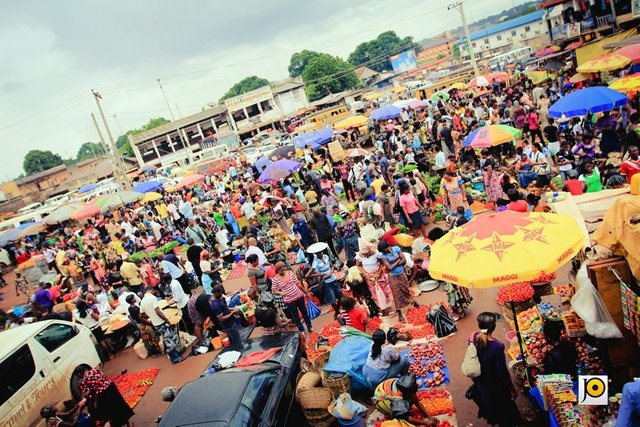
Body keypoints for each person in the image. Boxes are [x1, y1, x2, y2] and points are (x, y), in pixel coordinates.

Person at [469, 312, 521, 426]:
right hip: (495, 384)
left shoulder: (472, 338)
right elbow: (502, 373)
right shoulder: (497, 346)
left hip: (481, 382)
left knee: (490, 404)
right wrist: (512, 389)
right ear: (493, 327)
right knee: (504, 408)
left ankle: (494, 419)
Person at [140, 286, 183, 364]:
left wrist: (150, 315)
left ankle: (176, 355)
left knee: (167, 339)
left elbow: (142, 315)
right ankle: (175, 358)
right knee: (169, 340)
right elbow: (158, 311)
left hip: (155, 323)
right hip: (161, 322)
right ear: (151, 290)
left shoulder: (142, 301)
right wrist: (167, 320)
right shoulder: (152, 298)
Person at [270, 261, 314, 334]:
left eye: (284, 269)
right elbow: (274, 290)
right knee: (295, 315)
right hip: (289, 300)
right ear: (277, 271)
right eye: (281, 271)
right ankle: (301, 330)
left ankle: (309, 326)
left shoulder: (290, 273)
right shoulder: (275, 279)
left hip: (298, 295)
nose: (283, 271)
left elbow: (298, 283)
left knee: (304, 312)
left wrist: (305, 291)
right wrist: (281, 293)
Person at [378, 241, 413, 322]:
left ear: (388, 246)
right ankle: (399, 314)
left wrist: (395, 264)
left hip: (401, 273)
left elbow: (404, 259)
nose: (384, 252)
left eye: (384, 250)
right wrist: (398, 261)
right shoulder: (383, 256)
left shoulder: (396, 248)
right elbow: (389, 268)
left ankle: (413, 302)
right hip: (393, 276)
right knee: (396, 294)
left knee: (406, 290)